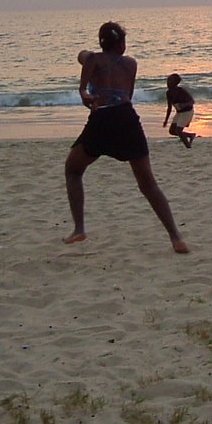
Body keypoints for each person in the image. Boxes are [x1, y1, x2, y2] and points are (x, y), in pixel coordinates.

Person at [64, 21, 189, 253]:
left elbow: (83, 80)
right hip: (127, 118)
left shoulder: (93, 59)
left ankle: (79, 228)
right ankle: (175, 236)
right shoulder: (131, 64)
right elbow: (127, 95)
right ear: (121, 43)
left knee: (73, 170)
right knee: (148, 183)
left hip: (102, 119)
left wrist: (86, 93)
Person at [163, 73, 197, 148]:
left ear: (175, 83)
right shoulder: (168, 93)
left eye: (170, 81)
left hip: (187, 112)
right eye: (167, 81)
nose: (168, 83)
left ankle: (188, 147)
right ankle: (190, 135)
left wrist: (184, 105)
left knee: (178, 130)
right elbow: (169, 107)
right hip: (179, 113)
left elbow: (192, 101)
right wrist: (166, 120)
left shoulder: (181, 91)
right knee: (172, 131)